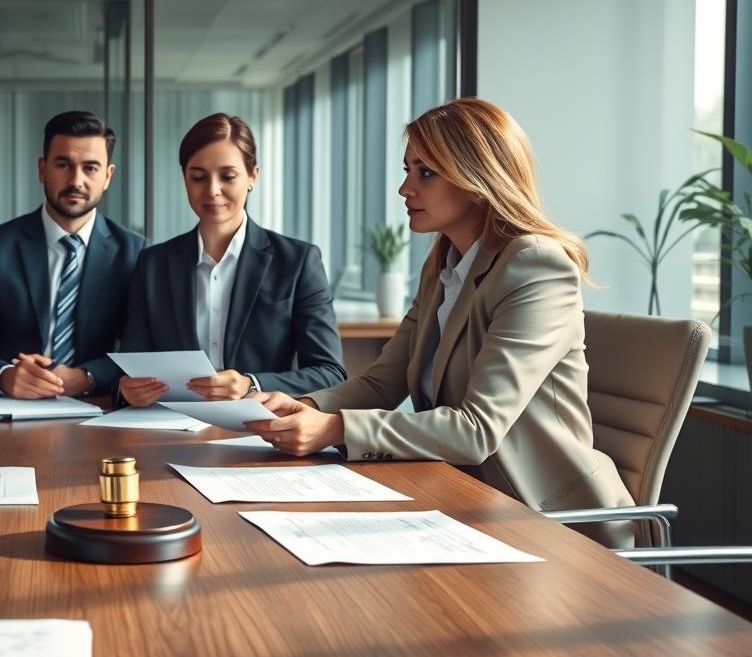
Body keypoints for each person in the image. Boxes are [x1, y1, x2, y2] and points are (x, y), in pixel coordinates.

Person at [244, 98, 635, 546]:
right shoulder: (444, 267)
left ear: (477, 179)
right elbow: (381, 384)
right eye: (407, 170)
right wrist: (306, 407)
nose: (404, 189)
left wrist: (335, 429)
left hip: (546, 521)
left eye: (425, 172)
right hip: (462, 496)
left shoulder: (536, 266)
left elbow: (476, 431)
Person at [119, 113, 346, 407]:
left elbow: (330, 373)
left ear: (252, 176)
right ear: (185, 179)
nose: (212, 190)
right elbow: (130, 366)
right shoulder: (153, 265)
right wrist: (126, 389)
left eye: (227, 176)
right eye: (198, 177)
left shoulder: (297, 262)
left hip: (258, 425)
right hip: (170, 424)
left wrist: (252, 384)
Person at [0, 111, 145, 398]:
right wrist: (4, 376)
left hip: (97, 406)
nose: (76, 180)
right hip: (8, 406)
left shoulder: (135, 252)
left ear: (107, 176)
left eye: (90, 168)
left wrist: (87, 377)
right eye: (63, 165)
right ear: (42, 169)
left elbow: (139, 349)